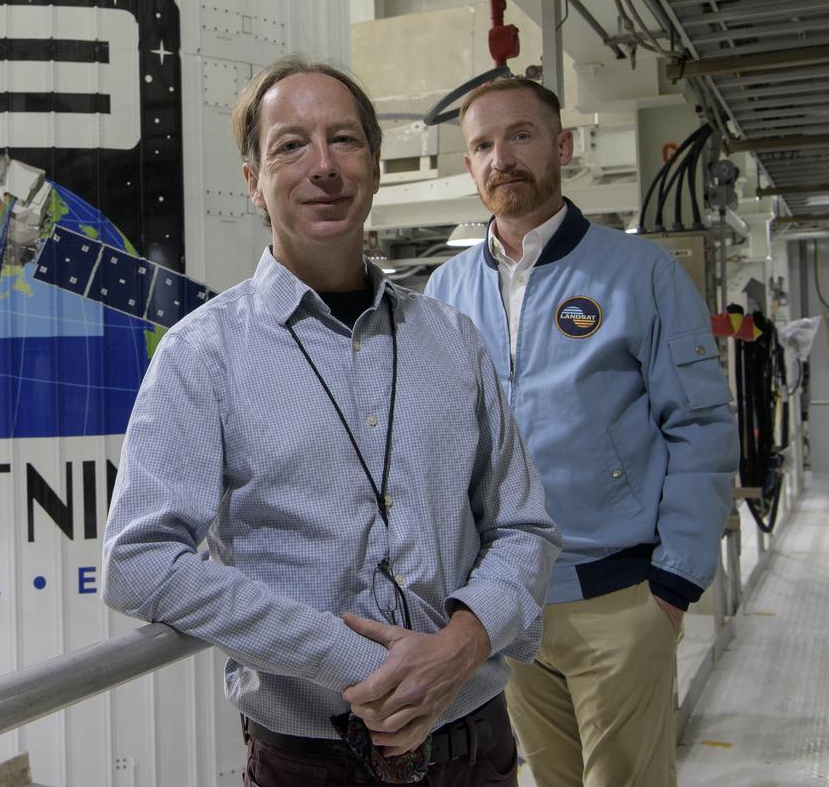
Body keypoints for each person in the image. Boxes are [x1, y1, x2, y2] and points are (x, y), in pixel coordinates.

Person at [101, 55, 561, 786]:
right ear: (252, 179)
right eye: (290, 145)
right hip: (313, 763)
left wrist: (461, 645)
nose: (324, 167)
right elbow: (138, 561)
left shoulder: (452, 341)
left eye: (344, 140)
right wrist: (358, 660)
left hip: (475, 750)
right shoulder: (203, 354)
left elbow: (524, 527)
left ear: (375, 166)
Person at [425, 77, 739, 787]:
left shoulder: (641, 274)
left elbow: (701, 428)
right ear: (469, 165)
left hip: (620, 598)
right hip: (507, 607)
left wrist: (672, 586)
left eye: (521, 136)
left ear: (562, 146)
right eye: (482, 145)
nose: (501, 157)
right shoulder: (444, 293)